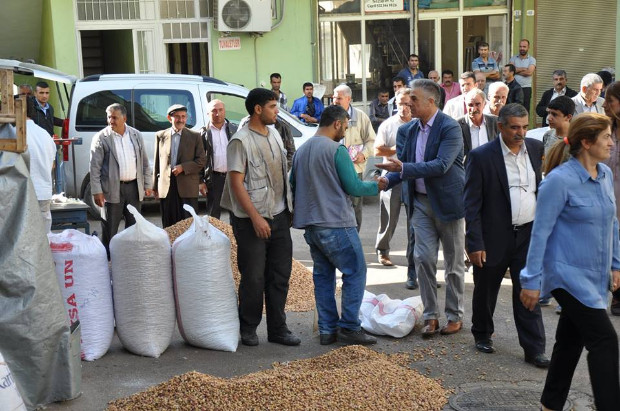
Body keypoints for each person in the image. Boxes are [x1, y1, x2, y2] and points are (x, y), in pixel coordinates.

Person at [520, 113, 620, 411]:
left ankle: (550, 405)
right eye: (606, 137)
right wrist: (531, 281)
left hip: (594, 276)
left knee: (569, 342)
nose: (612, 142)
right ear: (586, 143)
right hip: (566, 277)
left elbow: (612, 223)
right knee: (604, 341)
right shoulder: (558, 182)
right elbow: (540, 235)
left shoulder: (604, 175)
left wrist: (616, 263)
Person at [377, 79, 466, 338]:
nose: (408, 103)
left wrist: (400, 169)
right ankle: (430, 316)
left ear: (431, 101)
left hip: (448, 204)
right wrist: (387, 180)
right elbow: (402, 166)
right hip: (419, 203)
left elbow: (440, 166)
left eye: (413, 99)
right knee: (423, 259)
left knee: (453, 264)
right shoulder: (407, 131)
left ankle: (454, 315)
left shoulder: (450, 128)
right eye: (407, 99)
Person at [290, 105, 385, 346]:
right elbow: (354, 186)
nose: (346, 129)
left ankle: (327, 330)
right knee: (355, 271)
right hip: (336, 223)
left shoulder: (302, 151)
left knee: (323, 277)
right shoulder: (337, 150)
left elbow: (293, 184)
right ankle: (350, 327)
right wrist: (377, 185)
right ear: (336, 123)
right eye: (345, 124)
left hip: (311, 226)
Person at [464, 103, 549, 367]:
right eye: (514, 127)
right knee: (487, 288)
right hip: (494, 236)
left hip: (527, 234)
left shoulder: (535, 149)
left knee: (527, 290)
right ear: (500, 126)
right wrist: (475, 242)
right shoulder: (481, 157)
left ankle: (534, 348)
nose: (520, 132)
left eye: (524, 127)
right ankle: (482, 333)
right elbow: (471, 204)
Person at [220, 88, 300, 347]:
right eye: (273, 106)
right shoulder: (240, 141)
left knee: (279, 275)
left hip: (278, 217)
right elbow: (235, 184)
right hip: (250, 220)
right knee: (253, 276)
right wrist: (255, 218)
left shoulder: (275, 133)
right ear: (257, 109)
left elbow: (282, 176)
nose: (277, 111)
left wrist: (289, 208)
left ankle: (278, 328)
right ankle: (248, 327)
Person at [90, 103, 152, 254]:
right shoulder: (101, 137)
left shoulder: (136, 135)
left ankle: (130, 258)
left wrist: (148, 184)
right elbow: (94, 167)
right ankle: (109, 260)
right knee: (110, 227)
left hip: (133, 188)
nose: (111, 121)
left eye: (114, 117)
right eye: (109, 117)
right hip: (112, 189)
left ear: (124, 118)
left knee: (133, 227)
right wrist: (97, 191)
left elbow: (144, 162)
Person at [374, 89, 413, 271]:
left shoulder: (419, 123)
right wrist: (396, 149)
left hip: (414, 174)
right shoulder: (388, 125)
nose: (404, 108)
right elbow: (378, 150)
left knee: (416, 218)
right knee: (389, 215)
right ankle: (383, 250)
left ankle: (415, 257)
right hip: (392, 175)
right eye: (400, 104)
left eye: (407, 104)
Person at [153, 104, 206, 228]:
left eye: (183, 117)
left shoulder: (195, 136)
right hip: (167, 188)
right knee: (169, 224)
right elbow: (157, 162)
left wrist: (183, 167)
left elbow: (201, 160)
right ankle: (170, 247)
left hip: (187, 187)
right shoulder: (160, 136)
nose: (181, 120)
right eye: (177, 117)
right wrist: (155, 186)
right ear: (169, 118)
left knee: (188, 225)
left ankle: (187, 248)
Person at [332, 84, 375, 232]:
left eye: (338, 98)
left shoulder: (360, 116)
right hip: (333, 169)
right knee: (335, 204)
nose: (334, 101)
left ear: (348, 99)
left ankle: (354, 235)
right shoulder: (329, 115)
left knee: (355, 205)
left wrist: (364, 154)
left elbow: (372, 140)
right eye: (333, 97)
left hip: (354, 169)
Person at [199, 99, 238, 219]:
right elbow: (199, 159)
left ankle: (235, 237)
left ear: (225, 111)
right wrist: (200, 181)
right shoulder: (203, 133)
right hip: (214, 178)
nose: (217, 114)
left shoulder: (234, 130)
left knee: (236, 212)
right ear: (208, 114)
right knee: (213, 213)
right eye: (214, 111)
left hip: (233, 176)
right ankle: (214, 237)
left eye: (220, 110)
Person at [25, 96, 57, 233]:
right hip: (44, 193)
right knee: (44, 239)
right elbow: (52, 165)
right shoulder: (45, 135)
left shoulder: (13, 134)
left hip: (25, 195)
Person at [603, 81, 620, 316]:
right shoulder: (605, 129)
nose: (605, 105)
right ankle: (616, 295)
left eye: (610, 100)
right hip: (608, 199)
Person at [458, 88, 498, 156]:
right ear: (465, 105)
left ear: (484, 104)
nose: (474, 109)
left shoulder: (495, 122)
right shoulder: (457, 125)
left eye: (477, 104)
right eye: (470, 105)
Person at [509, 39, 536, 112]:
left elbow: (529, 72)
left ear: (528, 47)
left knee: (524, 111)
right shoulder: (513, 58)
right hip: (513, 87)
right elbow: (510, 70)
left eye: (524, 46)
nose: (522, 48)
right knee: (513, 110)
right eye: (520, 46)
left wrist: (516, 71)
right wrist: (523, 68)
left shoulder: (532, 60)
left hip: (526, 88)